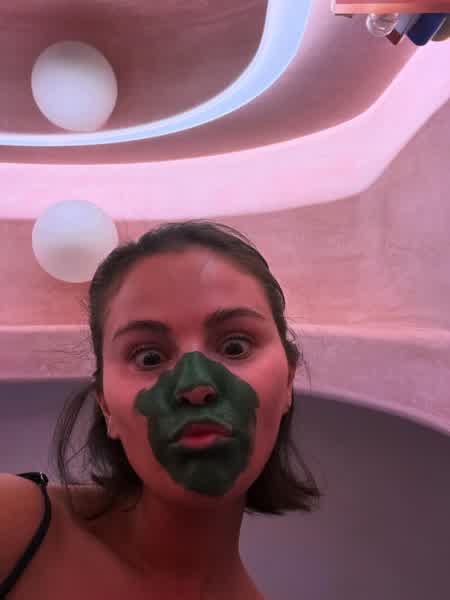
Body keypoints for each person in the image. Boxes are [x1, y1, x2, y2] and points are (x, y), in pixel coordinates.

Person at [0, 221, 320, 599]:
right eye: (149, 357)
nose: (196, 386)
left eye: (235, 347)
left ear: (287, 382)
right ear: (106, 404)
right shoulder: (12, 526)